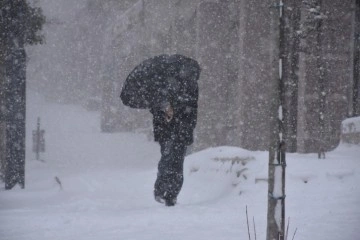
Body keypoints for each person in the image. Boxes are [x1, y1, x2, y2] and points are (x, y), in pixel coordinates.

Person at [150, 70, 199, 207]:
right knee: (167, 157)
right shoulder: (161, 83)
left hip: (181, 130)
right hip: (166, 129)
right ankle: (161, 190)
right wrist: (164, 109)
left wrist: (176, 107)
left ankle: (171, 195)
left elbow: (192, 106)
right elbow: (154, 104)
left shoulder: (190, 84)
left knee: (176, 162)